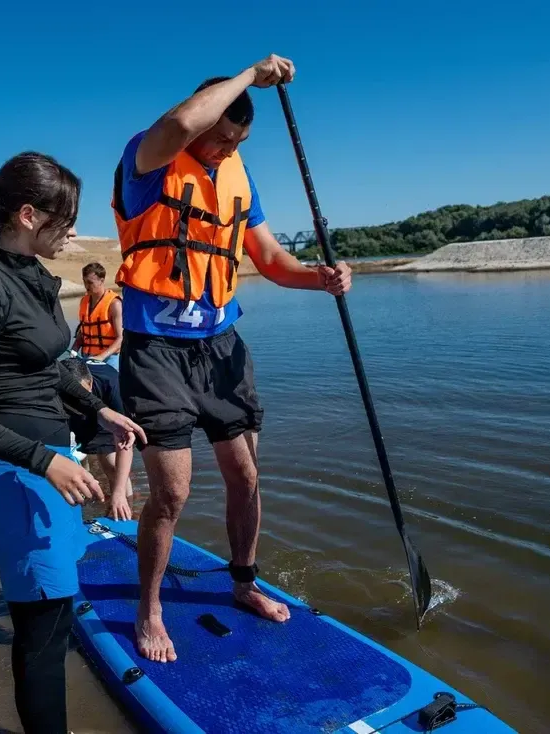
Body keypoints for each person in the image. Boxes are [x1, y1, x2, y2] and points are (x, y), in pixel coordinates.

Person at [111, 55, 353, 663]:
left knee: (246, 476)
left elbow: (271, 260)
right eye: (220, 138)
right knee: (172, 494)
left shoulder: (238, 179)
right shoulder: (148, 157)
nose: (224, 150)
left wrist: (318, 278)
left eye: (238, 141)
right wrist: (251, 75)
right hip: (156, 351)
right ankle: (150, 609)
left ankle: (243, 584)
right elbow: (186, 120)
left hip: (222, 350)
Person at [0, 152, 145, 734]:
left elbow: (47, 366)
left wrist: (99, 406)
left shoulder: (33, 278)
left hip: (50, 469)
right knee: (43, 639)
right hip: (16, 478)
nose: (73, 232)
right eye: (65, 219)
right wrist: (43, 461)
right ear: (28, 215)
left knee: (52, 622)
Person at [62, 356, 134, 521]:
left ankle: (127, 509)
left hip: (103, 409)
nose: (77, 401)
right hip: (66, 412)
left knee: (113, 466)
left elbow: (124, 443)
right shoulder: (52, 382)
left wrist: (118, 492)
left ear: (90, 383)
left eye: (80, 394)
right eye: (71, 395)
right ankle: (78, 513)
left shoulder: (113, 384)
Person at [72, 262, 122, 371]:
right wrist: (74, 348)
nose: (86, 286)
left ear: (102, 280)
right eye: (84, 282)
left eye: (90, 283)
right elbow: (84, 330)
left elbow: (121, 338)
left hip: (109, 360)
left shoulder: (114, 304)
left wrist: (100, 357)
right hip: (86, 358)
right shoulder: (84, 301)